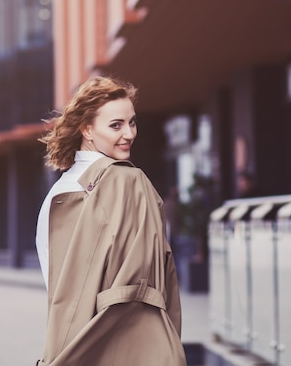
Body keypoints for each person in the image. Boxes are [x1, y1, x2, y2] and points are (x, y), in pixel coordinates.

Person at [34, 76, 186, 366]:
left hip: (70, 340)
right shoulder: (127, 180)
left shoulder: (61, 190)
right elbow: (151, 284)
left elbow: (65, 291)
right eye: (116, 125)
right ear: (87, 129)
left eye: (132, 122)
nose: (129, 134)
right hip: (127, 345)